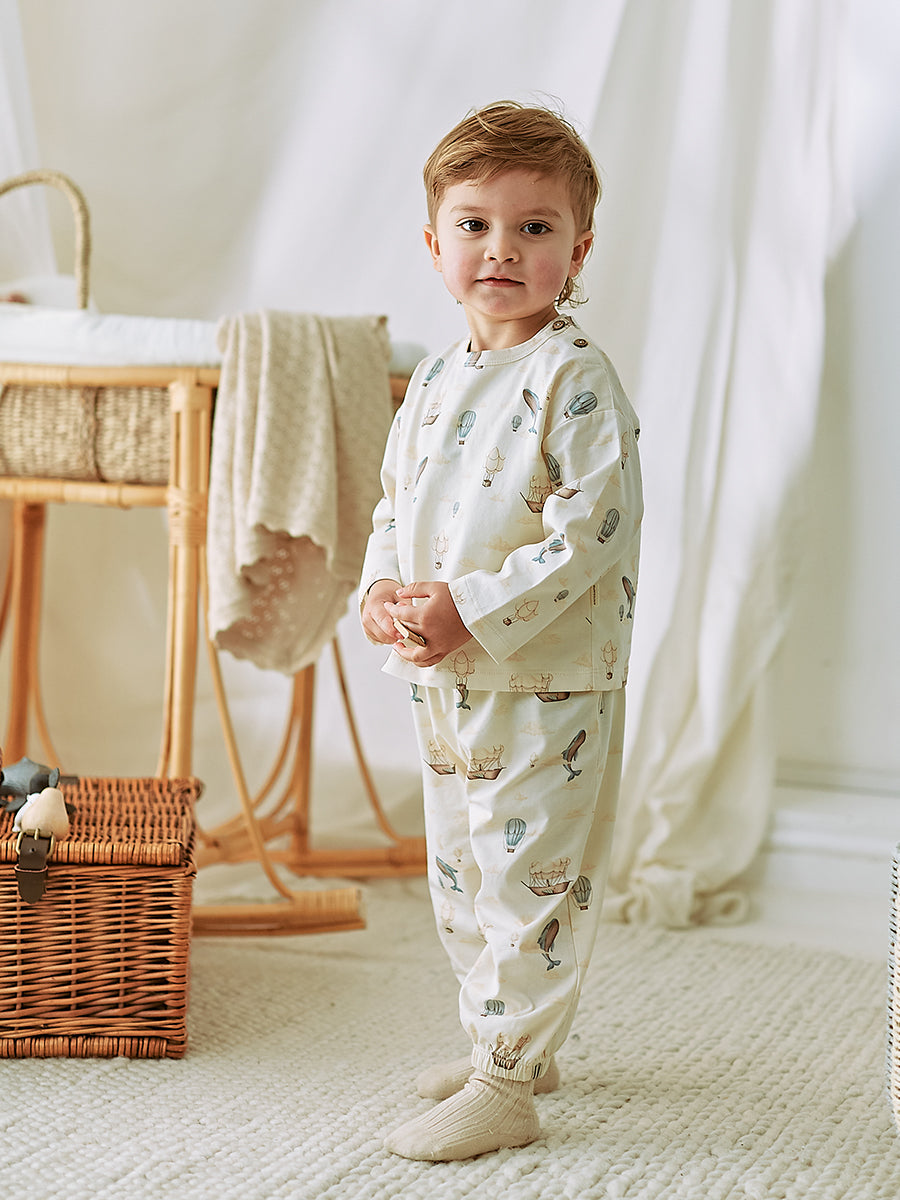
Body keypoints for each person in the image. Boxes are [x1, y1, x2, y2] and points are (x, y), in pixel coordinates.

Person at [359, 100, 643, 1161]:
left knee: (530, 883)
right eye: (475, 225)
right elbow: (394, 508)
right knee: (460, 877)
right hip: (443, 675)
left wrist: (467, 606)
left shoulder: (576, 377)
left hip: (549, 682)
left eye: (534, 227)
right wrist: (381, 591)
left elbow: (593, 534)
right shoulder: (434, 379)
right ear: (435, 244)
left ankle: (506, 1083)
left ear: (579, 249)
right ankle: (511, 1042)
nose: (502, 250)